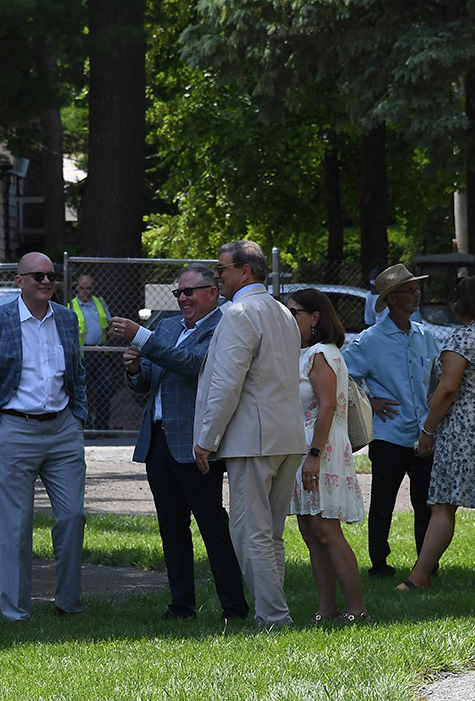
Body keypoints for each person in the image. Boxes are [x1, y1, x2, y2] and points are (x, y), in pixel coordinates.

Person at [112, 264, 248, 622]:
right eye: (178, 293)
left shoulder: (223, 327)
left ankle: (234, 608)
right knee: (171, 529)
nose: (183, 299)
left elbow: (193, 365)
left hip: (196, 444)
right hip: (158, 442)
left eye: (190, 292)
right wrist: (135, 370)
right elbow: (149, 384)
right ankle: (181, 607)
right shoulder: (168, 326)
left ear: (212, 293)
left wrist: (142, 338)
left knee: (212, 526)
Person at [0, 252, 87, 620]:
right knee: (15, 526)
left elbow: (77, 372)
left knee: (73, 517)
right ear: (19, 281)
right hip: (13, 429)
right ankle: (16, 613)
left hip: (63, 430)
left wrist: (78, 417)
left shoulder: (65, 318)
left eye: (51, 275)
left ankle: (68, 604)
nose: (46, 282)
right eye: (37, 277)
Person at [193, 241, 306, 628]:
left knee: (250, 532)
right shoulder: (282, 312)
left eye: (221, 269)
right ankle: (274, 613)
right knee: (271, 533)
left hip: (254, 440)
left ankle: (273, 617)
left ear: (244, 271)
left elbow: (226, 384)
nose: (216, 276)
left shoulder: (239, 313)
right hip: (287, 437)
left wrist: (207, 438)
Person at [397, 276, 475, 591]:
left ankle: (419, 577)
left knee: (444, 504)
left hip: (464, 427)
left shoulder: (461, 338)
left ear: (458, 304)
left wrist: (428, 430)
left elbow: (448, 389)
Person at [344, 264, 440, 578]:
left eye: (416, 288)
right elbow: (339, 375)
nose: (417, 294)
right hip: (388, 436)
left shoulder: (425, 336)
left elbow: (438, 375)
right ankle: (379, 563)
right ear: (393, 299)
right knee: (383, 501)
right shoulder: (370, 340)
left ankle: (426, 565)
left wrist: (435, 397)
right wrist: (369, 403)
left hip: (424, 434)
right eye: (410, 290)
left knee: (426, 503)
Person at [286, 289, 368, 622]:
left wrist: (314, 456)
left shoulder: (321, 352)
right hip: (304, 449)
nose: (288, 320)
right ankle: (327, 609)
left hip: (321, 450)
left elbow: (329, 405)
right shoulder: (303, 353)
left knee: (326, 530)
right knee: (310, 531)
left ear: (315, 318)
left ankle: (356, 609)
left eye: (294, 313)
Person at [69, 274, 113, 435]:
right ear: (77, 288)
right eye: (82, 288)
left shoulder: (99, 303)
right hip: (83, 354)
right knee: (84, 390)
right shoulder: (71, 306)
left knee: (106, 386)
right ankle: (86, 426)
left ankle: (102, 426)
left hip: (100, 351)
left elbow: (108, 323)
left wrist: (111, 331)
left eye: (89, 288)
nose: (86, 292)